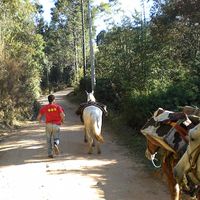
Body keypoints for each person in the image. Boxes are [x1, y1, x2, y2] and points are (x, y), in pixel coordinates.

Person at [37, 94, 65, 158]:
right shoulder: (58, 107)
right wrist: (62, 121)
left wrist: (41, 121)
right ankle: (55, 143)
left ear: (48, 100)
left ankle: (50, 154)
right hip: (56, 125)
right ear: (54, 100)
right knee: (56, 138)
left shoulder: (45, 107)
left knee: (48, 140)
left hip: (48, 125)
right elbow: (63, 115)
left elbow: (38, 117)